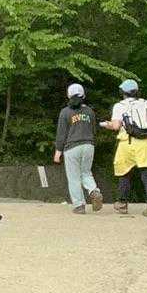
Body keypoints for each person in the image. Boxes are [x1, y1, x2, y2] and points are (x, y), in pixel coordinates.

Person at [102, 77, 147, 217]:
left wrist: (107, 125)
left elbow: (116, 126)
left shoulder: (120, 106)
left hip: (128, 143)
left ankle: (122, 204)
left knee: (124, 173)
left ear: (123, 92)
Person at [53, 83, 103, 213]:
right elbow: (94, 130)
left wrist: (58, 151)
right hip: (89, 145)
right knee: (86, 172)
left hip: (72, 147)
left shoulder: (65, 112)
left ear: (68, 96)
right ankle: (94, 191)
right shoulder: (89, 111)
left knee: (74, 177)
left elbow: (61, 133)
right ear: (83, 96)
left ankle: (79, 205)